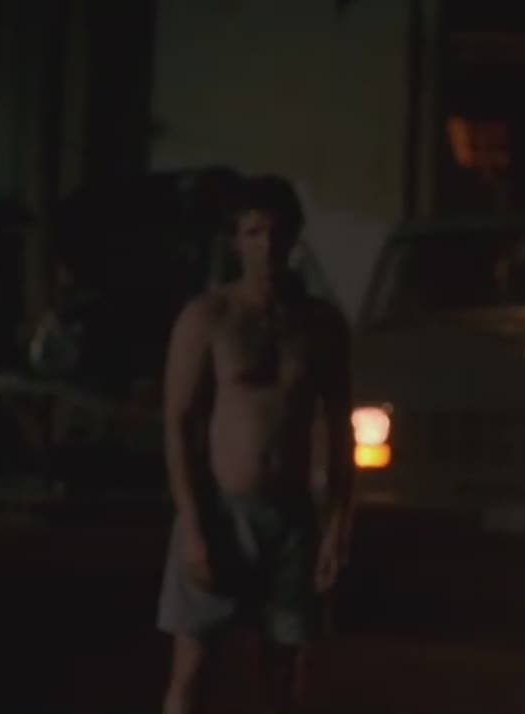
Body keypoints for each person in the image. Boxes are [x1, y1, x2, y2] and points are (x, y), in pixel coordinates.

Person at [157, 175, 353, 714]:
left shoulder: (321, 325)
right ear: (237, 241)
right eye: (254, 232)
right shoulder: (208, 318)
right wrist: (193, 526)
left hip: (292, 516)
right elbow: (178, 425)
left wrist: (338, 525)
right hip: (221, 510)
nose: (267, 246)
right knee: (194, 668)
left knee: (281, 675)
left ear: (295, 238)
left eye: (278, 232)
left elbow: (341, 429)